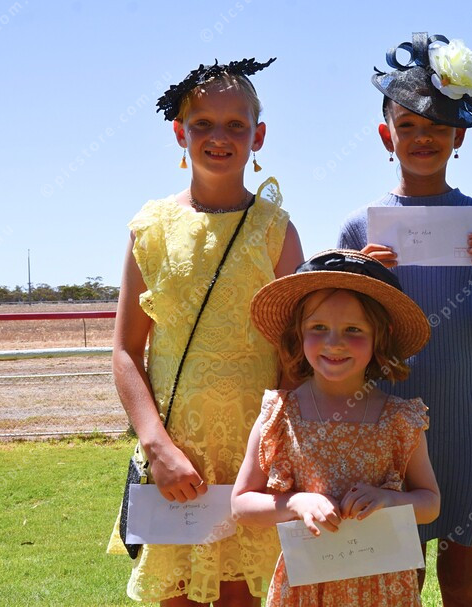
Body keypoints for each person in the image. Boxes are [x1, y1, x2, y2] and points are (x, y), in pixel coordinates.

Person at [338, 33, 472, 606]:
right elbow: (337, 340)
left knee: (464, 583)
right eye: (407, 125)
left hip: (468, 427)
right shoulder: (359, 229)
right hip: (386, 430)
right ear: (386, 136)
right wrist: (360, 282)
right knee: (401, 584)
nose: (422, 137)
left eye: (437, 126)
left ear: (459, 136)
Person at [106, 58, 304, 606]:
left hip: (255, 460)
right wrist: (157, 447)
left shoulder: (277, 231)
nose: (220, 137)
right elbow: (126, 351)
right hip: (177, 458)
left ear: (258, 136)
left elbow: (295, 353)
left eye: (236, 124)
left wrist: (279, 451)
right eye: (203, 124)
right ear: (180, 132)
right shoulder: (149, 229)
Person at [232, 249, 440, 606]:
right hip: (305, 587)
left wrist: (390, 499)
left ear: (381, 336)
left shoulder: (399, 418)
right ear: (299, 332)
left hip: (383, 589)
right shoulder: (279, 415)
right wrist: (296, 502)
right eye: (319, 328)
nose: (334, 342)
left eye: (353, 330)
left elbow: (430, 502)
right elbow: (241, 504)